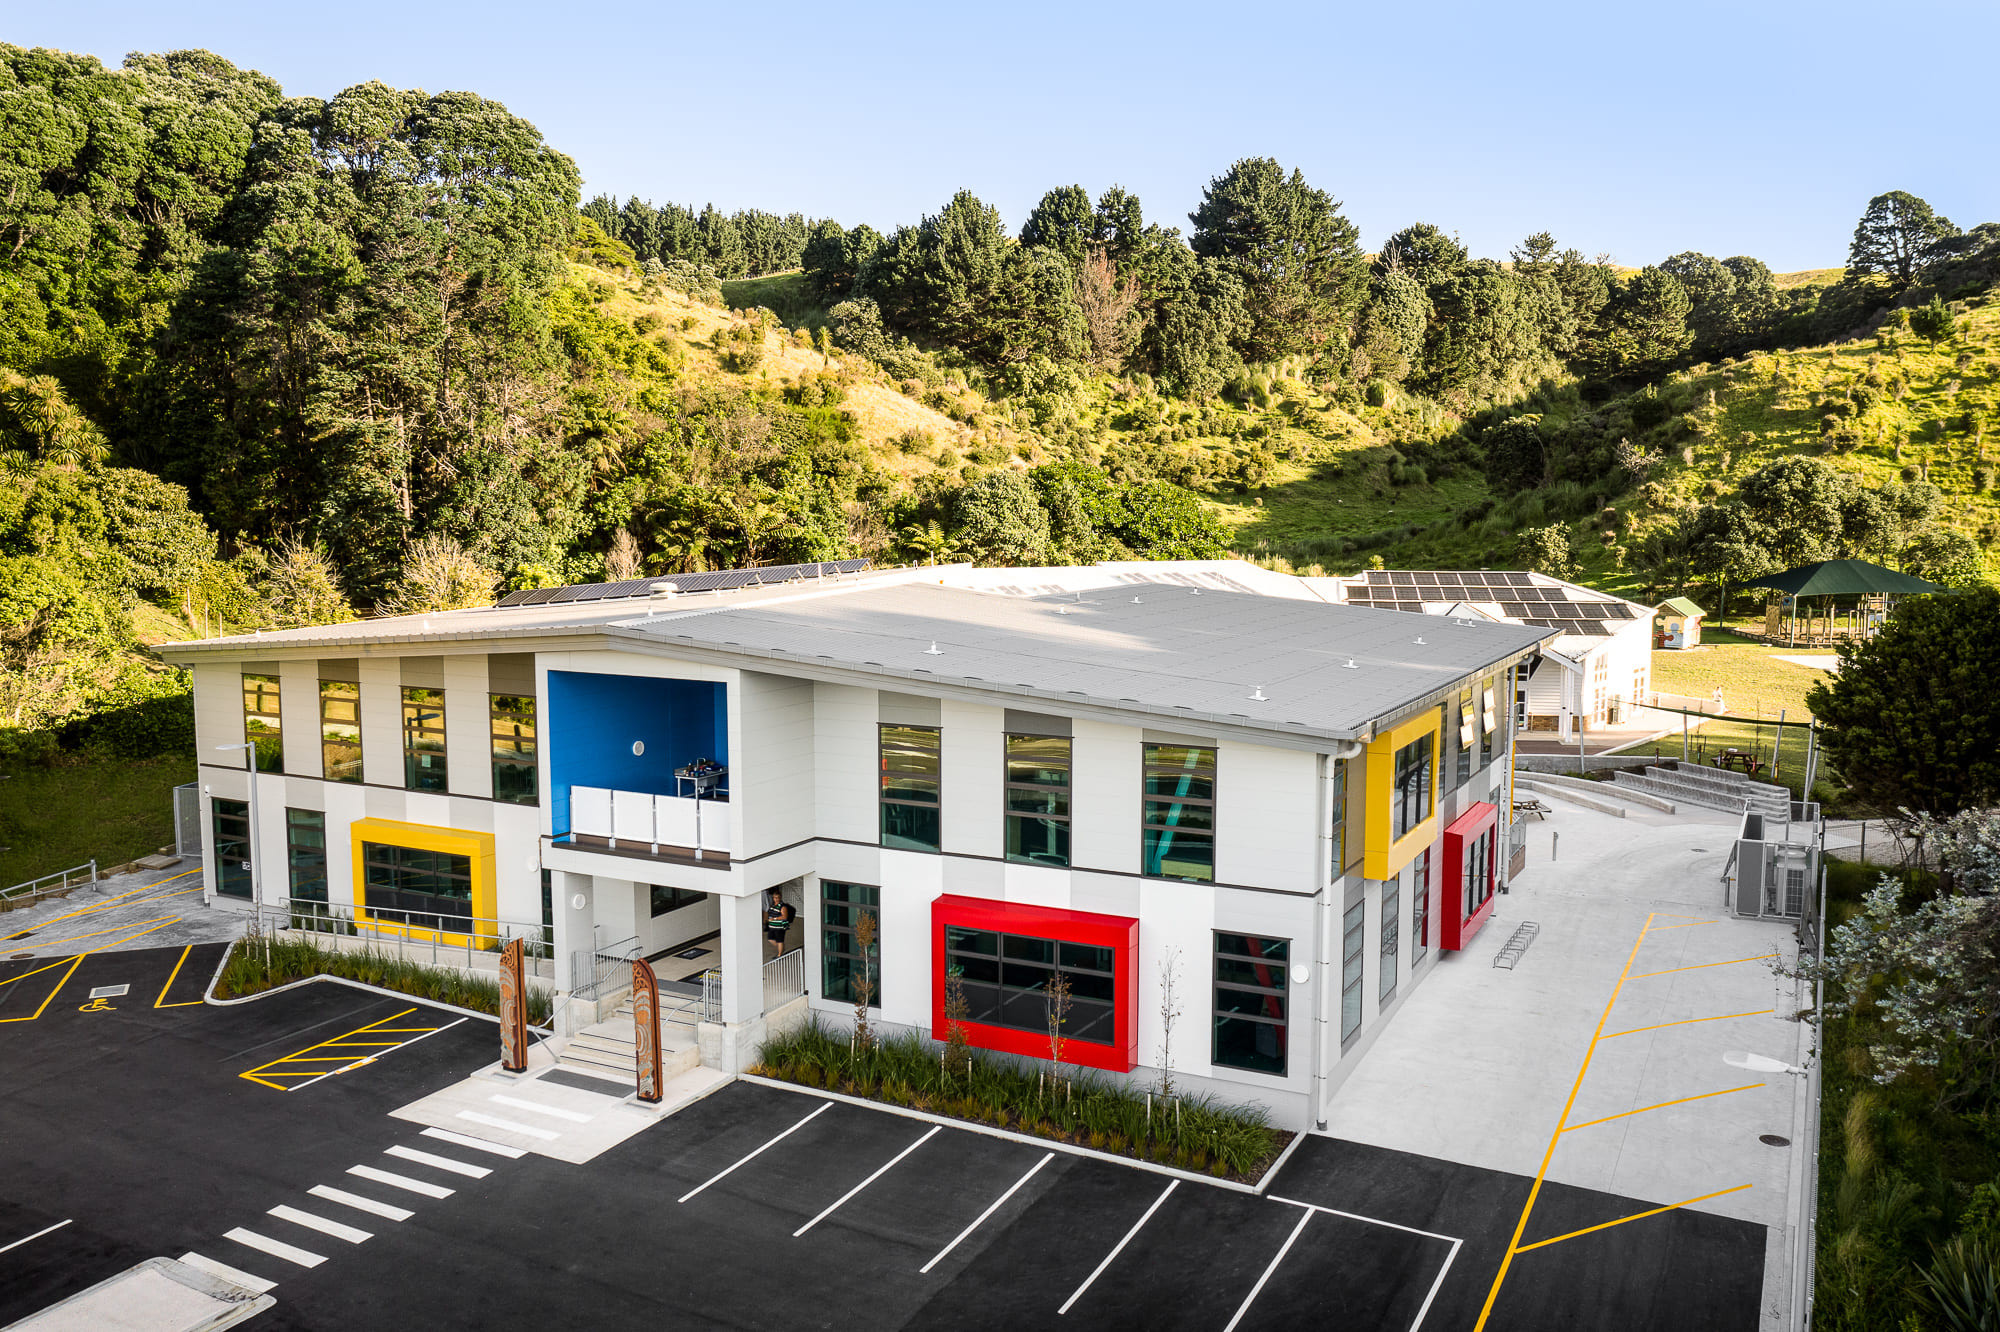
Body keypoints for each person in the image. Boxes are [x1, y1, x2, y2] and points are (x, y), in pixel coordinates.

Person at [764, 889, 795, 957]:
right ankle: (781, 948)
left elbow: (784, 917)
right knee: (770, 939)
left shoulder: (782, 906)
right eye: (775, 897)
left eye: (778, 897)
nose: (776, 899)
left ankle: (779, 954)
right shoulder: (773, 905)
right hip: (772, 926)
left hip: (780, 927)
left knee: (780, 940)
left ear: (780, 897)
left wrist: (774, 919)